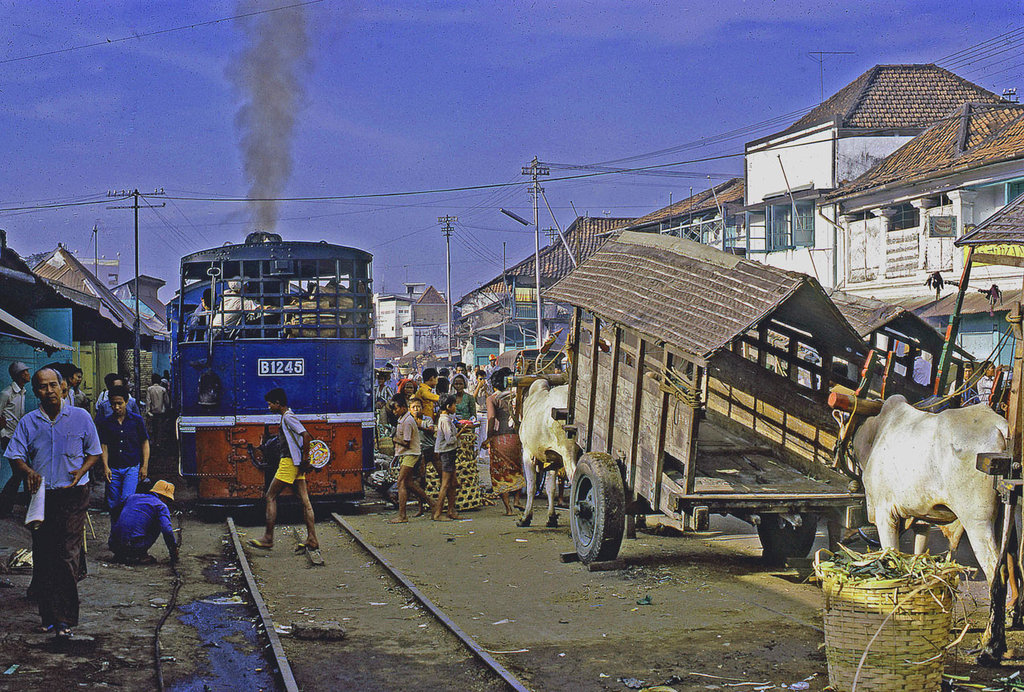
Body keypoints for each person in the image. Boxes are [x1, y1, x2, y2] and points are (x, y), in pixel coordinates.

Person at [5, 367, 101, 640]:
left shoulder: (80, 418)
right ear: (36, 392)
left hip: (73, 494)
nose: (49, 391)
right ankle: (49, 617)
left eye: (52, 385)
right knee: (44, 555)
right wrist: (29, 471)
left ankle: (66, 618)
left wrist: (82, 471)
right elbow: (15, 455)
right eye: (42, 387)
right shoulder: (28, 422)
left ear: (62, 387)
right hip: (41, 496)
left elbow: (93, 452)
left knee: (67, 553)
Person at [249, 388, 319, 551]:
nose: (268, 407)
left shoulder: (288, 417)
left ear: (277, 403)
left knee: (270, 496)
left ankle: (268, 538)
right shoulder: (287, 416)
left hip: (289, 463)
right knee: (305, 502)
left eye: (270, 404)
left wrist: (305, 459)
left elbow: (306, 435)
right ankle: (312, 539)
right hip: (295, 464)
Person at [97, 385, 150, 522]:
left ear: (126, 402)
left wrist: (144, 466)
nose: (116, 407)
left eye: (119, 403)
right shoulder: (106, 423)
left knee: (127, 500)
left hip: (131, 467)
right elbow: (104, 445)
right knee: (113, 503)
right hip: (113, 468)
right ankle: (116, 534)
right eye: (113, 404)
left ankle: (126, 533)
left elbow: (144, 443)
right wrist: (105, 466)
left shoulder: (136, 420)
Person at [108, 480, 178, 565]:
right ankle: (139, 554)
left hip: (114, 545)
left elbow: (114, 512)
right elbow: (167, 530)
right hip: (134, 546)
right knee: (159, 523)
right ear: (164, 498)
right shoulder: (161, 506)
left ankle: (120, 553)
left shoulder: (132, 497)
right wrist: (173, 550)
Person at [486, 367, 524, 516]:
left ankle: (508, 508)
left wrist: (489, 437)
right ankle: (517, 500)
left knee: (501, 472)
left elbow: (491, 419)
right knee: (516, 468)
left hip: (500, 437)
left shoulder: (492, 398)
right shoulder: (515, 396)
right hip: (515, 436)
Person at [389, 396, 433, 523]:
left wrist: (395, 439)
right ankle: (431, 502)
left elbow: (406, 442)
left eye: (396, 409)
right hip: (407, 454)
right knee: (408, 483)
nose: (394, 412)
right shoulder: (403, 419)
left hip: (411, 453)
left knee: (401, 482)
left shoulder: (407, 421)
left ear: (403, 408)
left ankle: (402, 515)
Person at [0, 361, 31, 515]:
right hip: (8, 438)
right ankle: (4, 506)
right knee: (21, 471)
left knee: (24, 471)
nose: (28, 374)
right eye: (25, 371)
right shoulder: (7, 393)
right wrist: (3, 434)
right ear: (19, 375)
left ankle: (26, 504)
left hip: (18, 438)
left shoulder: (22, 392)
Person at [433, 394, 460, 521]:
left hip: (449, 452)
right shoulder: (445, 420)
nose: (455, 406)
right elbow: (450, 439)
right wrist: (460, 433)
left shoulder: (445, 418)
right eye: (454, 404)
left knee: (453, 483)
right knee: (445, 484)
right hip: (447, 453)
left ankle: (450, 510)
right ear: (448, 406)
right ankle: (438, 513)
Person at [145, 374, 170, 446]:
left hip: (153, 412)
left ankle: (154, 442)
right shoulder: (163, 389)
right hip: (161, 412)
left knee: (153, 428)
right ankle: (159, 443)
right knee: (160, 428)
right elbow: (167, 401)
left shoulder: (149, 389)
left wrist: (148, 411)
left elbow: (148, 401)